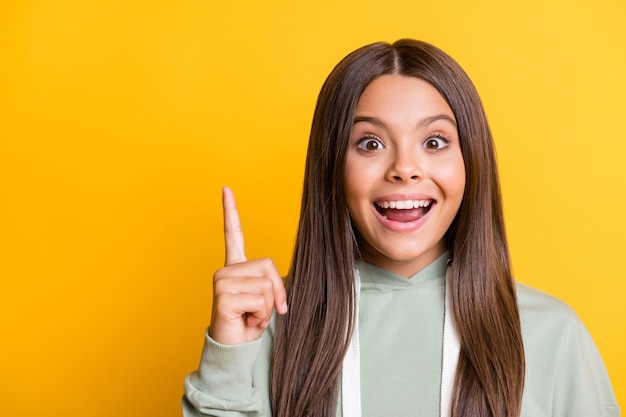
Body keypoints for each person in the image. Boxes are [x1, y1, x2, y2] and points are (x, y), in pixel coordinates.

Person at [183, 39, 620, 417]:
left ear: (471, 162)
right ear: (333, 167)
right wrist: (229, 360)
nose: (405, 169)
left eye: (434, 142)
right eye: (370, 143)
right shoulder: (270, 328)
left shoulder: (552, 334)